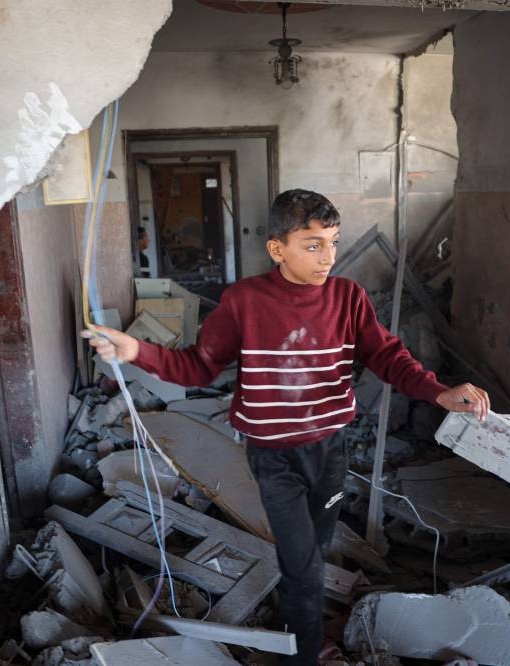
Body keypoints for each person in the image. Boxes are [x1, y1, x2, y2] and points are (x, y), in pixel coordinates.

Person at [84, 189, 489, 665]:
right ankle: (304, 654)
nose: (328, 257)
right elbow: (198, 367)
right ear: (278, 249)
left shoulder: (348, 298)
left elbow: (386, 355)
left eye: (333, 243)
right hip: (273, 457)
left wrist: (437, 392)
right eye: (313, 245)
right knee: (303, 565)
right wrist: (137, 351)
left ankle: (291, 626)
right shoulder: (245, 301)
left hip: (330, 453)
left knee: (314, 552)